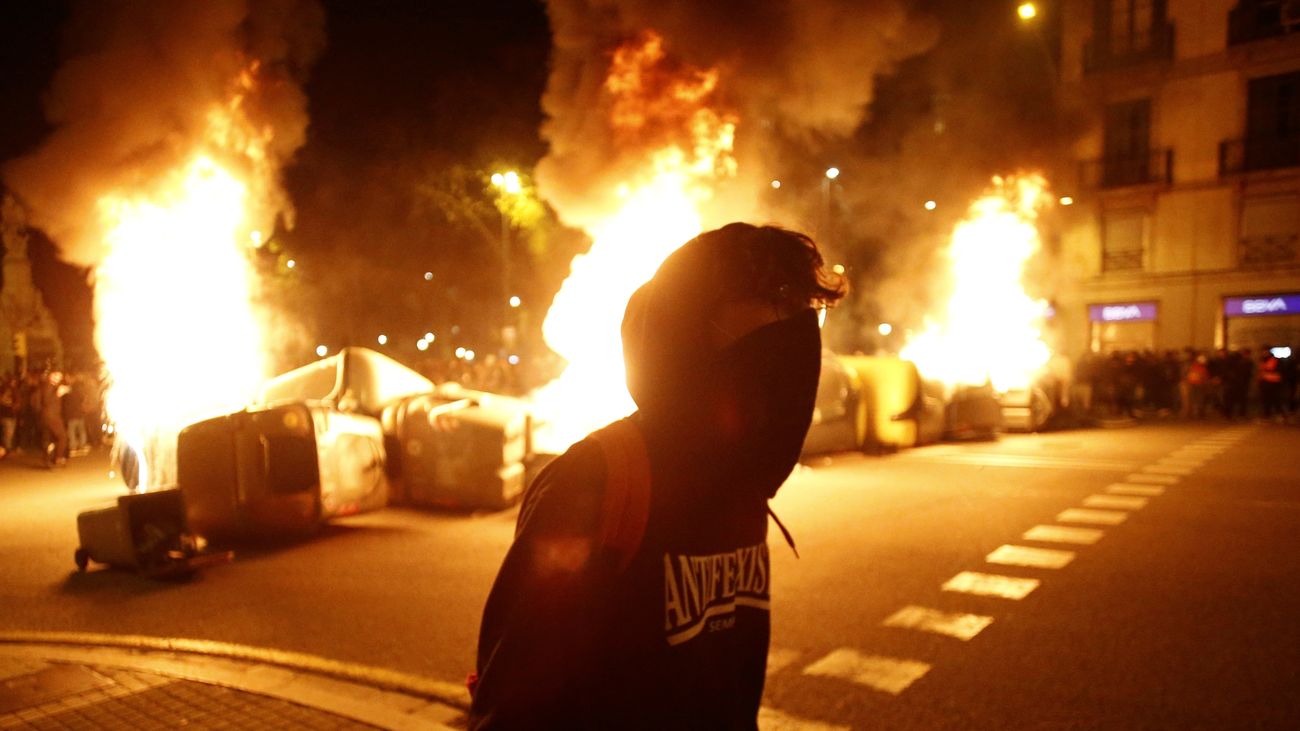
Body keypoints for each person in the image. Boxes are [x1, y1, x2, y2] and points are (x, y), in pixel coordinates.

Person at [469, 223, 844, 729]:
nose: (796, 329)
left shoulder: (743, 480)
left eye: (806, 308)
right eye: (776, 299)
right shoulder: (596, 480)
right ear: (695, 325)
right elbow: (513, 704)